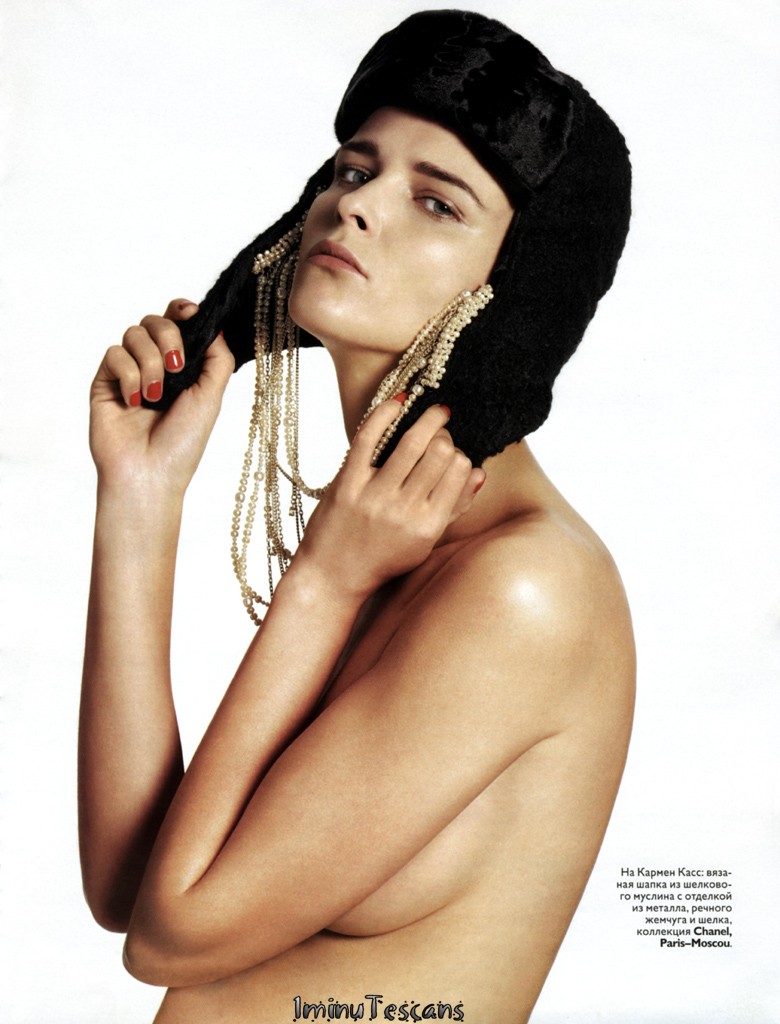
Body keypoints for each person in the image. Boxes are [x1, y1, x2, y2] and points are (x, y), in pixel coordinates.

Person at [79, 10, 634, 1023]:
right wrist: (139, 503)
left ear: (517, 288)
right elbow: (126, 887)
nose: (361, 204)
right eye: (353, 169)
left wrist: (326, 581)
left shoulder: (524, 587)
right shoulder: (396, 532)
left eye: (437, 201)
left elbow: (169, 937)